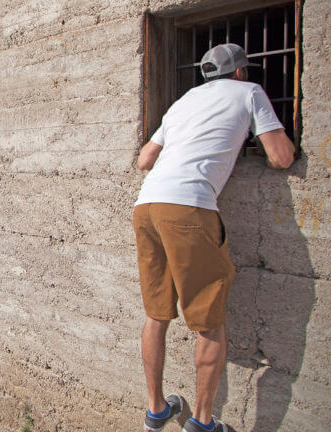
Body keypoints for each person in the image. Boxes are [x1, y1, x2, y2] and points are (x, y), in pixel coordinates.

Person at [133, 43, 295, 432]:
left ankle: (157, 410)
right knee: (208, 320)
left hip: (147, 207)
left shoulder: (184, 100)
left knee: (157, 314)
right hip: (189, 209)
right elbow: (282, 157)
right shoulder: (250, 92)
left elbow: (144, 160)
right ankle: (203, 423)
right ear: (240, 72)